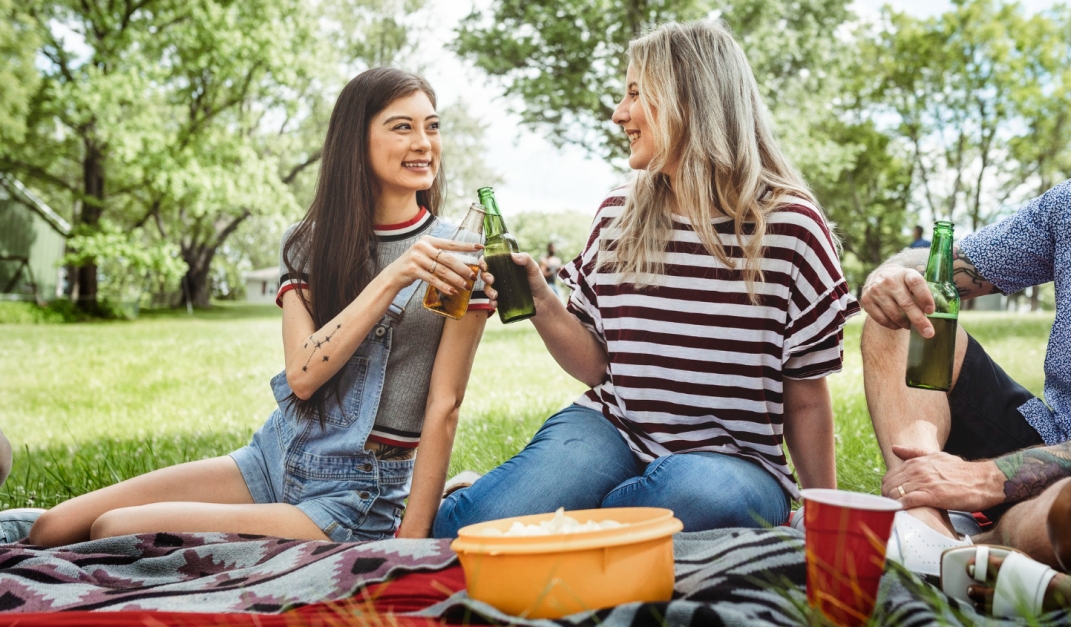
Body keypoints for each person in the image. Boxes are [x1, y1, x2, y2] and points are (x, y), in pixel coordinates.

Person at [27, 68, 491, 547]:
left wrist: (409, 542)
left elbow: (445, 406)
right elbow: (304, 373)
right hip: (272, 455)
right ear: (357, 141)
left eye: (431, 126)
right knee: (50, 530)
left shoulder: (459, 256)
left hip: (355, 494)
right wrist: (396, 275)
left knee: (112, 529)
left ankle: (428, 509)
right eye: (402, 126)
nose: (423, 143)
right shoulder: (309, 242)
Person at [433, 19, 859, 538]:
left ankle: (564, 523)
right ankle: (512, 505)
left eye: (635, 93)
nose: (619, 114)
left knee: (698, 497)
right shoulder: (618, 214)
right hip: (612, 430)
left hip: (735, 464)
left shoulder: (790, 228)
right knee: (475, 528)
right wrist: (543, 301)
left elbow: (807, 397)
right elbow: (595, 367)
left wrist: (825, 514)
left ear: (690, 98)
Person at [859, 181, 1071, 576]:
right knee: (902, 317)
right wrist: (890, 277)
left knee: (1065, 517)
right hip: (1051, 435)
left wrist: (988, 478)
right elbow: (941, 262)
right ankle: (924, 526)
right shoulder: (1066, 206)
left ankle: (978, 545)